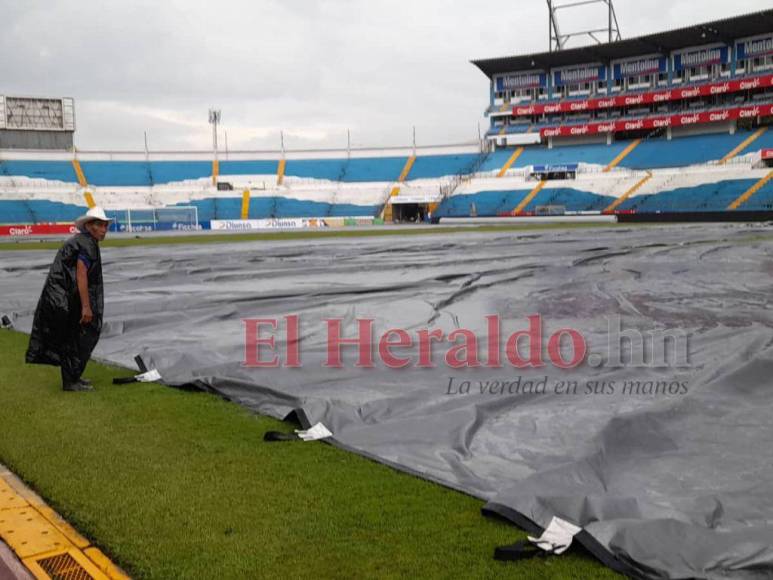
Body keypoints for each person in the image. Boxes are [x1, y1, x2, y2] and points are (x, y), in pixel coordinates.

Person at [26, 207, 113, 392]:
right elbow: (82, 275)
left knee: (74, 337)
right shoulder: (86, 244)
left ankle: (73, 377)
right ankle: (71, 381)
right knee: (81, 336)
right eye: (101, 225)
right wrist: (86, 307)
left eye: (106, 225)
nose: (104, 229)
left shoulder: (83, 241)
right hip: (64, 298)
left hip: (61, 297)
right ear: (89, 226)